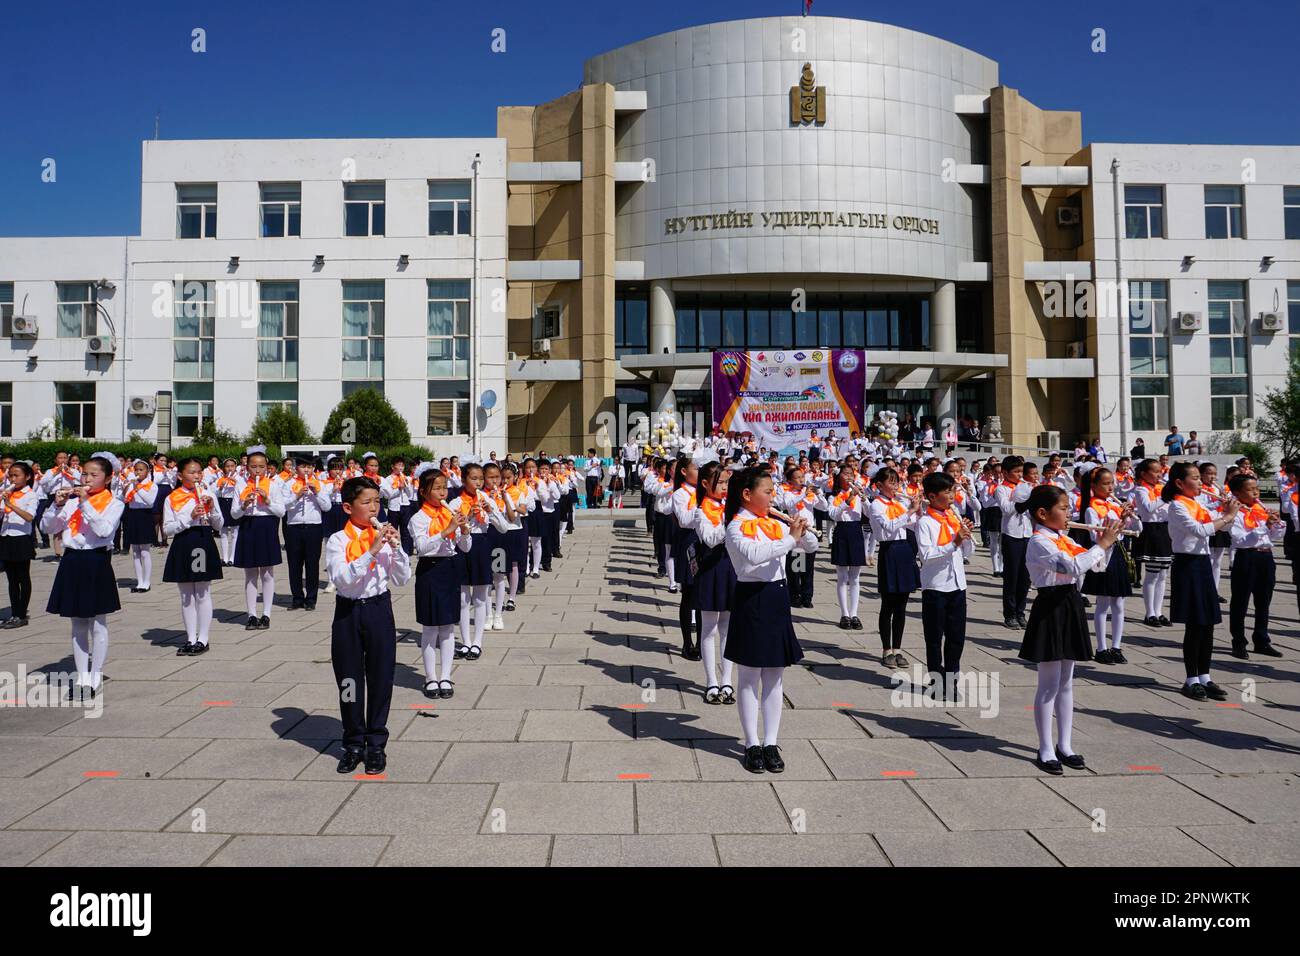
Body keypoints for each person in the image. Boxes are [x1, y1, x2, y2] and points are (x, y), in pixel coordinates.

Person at [1018, 484, 1120, 774]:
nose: (1069, 513)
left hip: (1071, 604)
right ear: (1042, 513)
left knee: (1067, 682)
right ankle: (1045, 747)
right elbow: (1073, 567)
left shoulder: (1063, 538)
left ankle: (1066, 744)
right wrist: (1100, 545)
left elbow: (1096, 567)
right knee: (1048, 684)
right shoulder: (1039, 542)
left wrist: (1104, 544)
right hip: (1051, 607)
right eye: (1063, 508)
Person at [724, 466, 818, 773]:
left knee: (775, 676)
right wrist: (791, 538)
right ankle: (752, 743)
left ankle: (771, 742)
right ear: (747, 494)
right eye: (767, 491)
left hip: (777, 597)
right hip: (751, 599)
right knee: (750, 676)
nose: (772, 496)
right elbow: (754, 555)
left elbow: (811, 547)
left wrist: (802, 530)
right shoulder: (736, 526)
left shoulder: (777, 523)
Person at [325, 476, 411, 776]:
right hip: (349, 612)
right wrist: (371, 551)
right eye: (367, 502)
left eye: (377, 501)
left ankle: (376, 743)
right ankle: (352, 743)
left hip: (378, 609)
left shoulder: (383, 535)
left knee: (380, 677)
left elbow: (402, 579)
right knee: (349, 680)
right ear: (348, 507)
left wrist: (396, 549)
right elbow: (342, 579)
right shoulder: (338, 540)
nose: (374, 507)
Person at [42, 453, 126, 698]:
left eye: (93, 474)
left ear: (108, 478)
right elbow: (48, 528)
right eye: (85, 473)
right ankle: (81, 676)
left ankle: (96, 674)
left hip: (96, 559)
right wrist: (56, 505)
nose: (87, 478)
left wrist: (85, 502)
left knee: (98, 622)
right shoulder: (70, 500)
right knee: (77, 621)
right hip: (71, 559)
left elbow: (103, 531)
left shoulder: (114, 502)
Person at [1164, 462, 1239, 701]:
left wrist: (1231, 513)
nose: (1200, 482)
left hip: (1202, 564)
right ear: (1179, 483)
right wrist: (1226, 516)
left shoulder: (1198, 503)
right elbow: (1199, 530)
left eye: (1199, 478)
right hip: (1187, 566)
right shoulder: (1176, 506)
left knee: (1208, 624)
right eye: (1195, 478)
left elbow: (1223, 526)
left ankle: (1205, 676)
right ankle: (1190, 679)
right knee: (1194, 625)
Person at [409, 467, 470, 699]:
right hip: (430, 571)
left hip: (450, 569)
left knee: (447, 627)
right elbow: (422, 548)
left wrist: (464, 531)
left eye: (444, 487)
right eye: (437, 488)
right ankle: (430, 677)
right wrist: (447, 531)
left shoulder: (450, 513)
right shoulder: (418, 518)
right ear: (424, 492)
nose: (443, 491)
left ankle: (445, 676)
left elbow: (466, 547)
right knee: (430, 628)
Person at [915, 472, 975, 697]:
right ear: (932, 495)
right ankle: (937, 682)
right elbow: (927, 555)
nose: (952, 495)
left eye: (953, 491)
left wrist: (966, 538)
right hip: (936, 587)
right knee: (934, 637)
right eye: (947, 491)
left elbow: (966, 552)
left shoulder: (953, 516)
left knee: (956, 637)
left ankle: (952, 681)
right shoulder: (925, 522)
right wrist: (954, 542)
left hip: (958, 584)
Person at [162, 457, 224, 655]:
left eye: (198, 471)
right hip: (183, 542)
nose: (196, 475)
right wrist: (189, 518)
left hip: (202, 541)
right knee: (186, 594)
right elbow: (168, 529)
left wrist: (212, 509)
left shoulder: (207, 493)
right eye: (191, 472)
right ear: (180, 476)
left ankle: (203, 639)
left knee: (202, 591)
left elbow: (219, 525)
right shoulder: (172, 498)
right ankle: (190, 638)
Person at [1080, 467, 1141, 663]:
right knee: (1103, 603)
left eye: (1112, 483)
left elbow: (1138, 527)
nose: (1110, 487)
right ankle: (1101, 648)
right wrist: (1112, 527)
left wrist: (1127, 517)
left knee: (1119, 603)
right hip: (1102, 557)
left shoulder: (1115, 506)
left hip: (1118, 555)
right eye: (1105, 484)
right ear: (1094, 486)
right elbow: (1094, 536)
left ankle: (1116, 646)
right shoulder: (1091, 508)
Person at [1226, 472, 1285, 659]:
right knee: (1240, 602)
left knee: (1263, 601)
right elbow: (1241, 540)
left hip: (1266, 558)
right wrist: (1263, 527)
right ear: (1237, 493)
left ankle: (1261, 639)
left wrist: (1275, 525)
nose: (1255, 493)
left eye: (1256, 489)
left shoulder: (1260, 509)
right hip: (1246, 557)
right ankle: (1238, 642)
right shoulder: (1233, 512)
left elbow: (1274, 538)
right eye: (1250, 490)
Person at [868, 467, 922, 667]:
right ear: (880, 485)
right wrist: (909, 511)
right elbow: (889, 526)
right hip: (889, 551)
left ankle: (898, 649)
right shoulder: (876, 505)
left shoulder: (899, 502)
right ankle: (886, 650)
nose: (895, 486)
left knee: (902, 606)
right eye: (891, 483)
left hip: (905, 549)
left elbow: (913, 523)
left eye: (897, 482)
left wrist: (918, 508)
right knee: (888, 605)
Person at [693, 461, 736, 705]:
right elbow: (709, 539)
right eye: (719, 483)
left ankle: (727, 680)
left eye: (726, 482)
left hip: (731, 569)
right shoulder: (701, 510)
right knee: (708, 628)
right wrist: (728, 522)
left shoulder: (731, 507)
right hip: (711, 570)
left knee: (728, 627)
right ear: (706, 484)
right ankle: (711, 681)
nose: (724, 487)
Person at [231, 446, 286, 630]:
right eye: (253, 466)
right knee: (250, 573)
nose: (257, 470)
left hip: (267, 526)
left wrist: (267, 500)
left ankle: (267, 614)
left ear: (267, 467)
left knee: (268, 573)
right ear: (247, 467)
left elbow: (281, 511)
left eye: (261, 467)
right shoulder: (240, 484)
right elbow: (234, 514)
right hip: (248, 526)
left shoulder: (274, 484)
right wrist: (244, 505)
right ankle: (252, 614)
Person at [278, 456, 332, 612]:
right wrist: (297, 495)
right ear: (296, 469)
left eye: (309, 467)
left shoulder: (319, 484)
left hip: (314, 527)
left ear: (314, 469)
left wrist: (316, 493)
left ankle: (311, 598)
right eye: (303, 467)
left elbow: (327, 506)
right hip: (293, 527)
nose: (306, 470)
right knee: (294, 564)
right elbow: (283, 506)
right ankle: (297, 598)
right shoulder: (288, 484)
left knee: (312, 564)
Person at [1133, 458, 1171, 627]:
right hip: (1151, 531)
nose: (1159, 474)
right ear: (1144, 474)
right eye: (1155, 472)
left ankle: (1159, 611)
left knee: (1163, 574)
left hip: (1165, 530)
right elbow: (1148, 508)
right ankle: (1149, 613)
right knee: (1152, 574)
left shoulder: (1160, 489)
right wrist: (1166, 496)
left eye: (1160, 471)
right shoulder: (1141, 490)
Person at [827, 467, 866, 630]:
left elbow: (869, 514)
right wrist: (848, 499)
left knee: (855, 577)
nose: (849, 477)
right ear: (839, 477)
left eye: (851, 474)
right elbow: (833, 515)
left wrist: (863, 498)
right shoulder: (833, 496)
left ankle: (854, 613)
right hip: (842, 531)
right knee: (842, 576)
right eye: (846, 474)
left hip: (856, 530)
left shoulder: (858, 494)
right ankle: (844, 614)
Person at [0, 461, 39, 627]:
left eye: (17, 475)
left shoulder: (30, 495)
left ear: (27, 477)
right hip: (6, 536)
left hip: (21, 538)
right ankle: (14, 612)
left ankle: (21, 614)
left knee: (23, 576)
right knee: (11, 578)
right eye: (11, 475)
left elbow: (29, 517)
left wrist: (10, 504)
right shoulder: (8, 493)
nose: (13, 479)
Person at [997, 456, 1033, 629]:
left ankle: (1021, 611)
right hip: (1012, 535)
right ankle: (1009, 614)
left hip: (1027, 534)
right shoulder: (1001, 489)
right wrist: (1022, 503)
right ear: (1005, 472)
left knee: (1025, 578)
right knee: (1012, 576)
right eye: (1016, 472)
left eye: (1021, 471)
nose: (1020, 475)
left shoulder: (1024, 486)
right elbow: (1006, 509)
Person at [120, 459, 158, 592]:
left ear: (147, 472)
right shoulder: (132, 484)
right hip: (132, 515)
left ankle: (147, 582)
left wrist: (137, 488)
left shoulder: (152, 485)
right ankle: (139, 582)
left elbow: (150, 502)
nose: (138, 472)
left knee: (145, 551)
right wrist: (125, 488)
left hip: (145, 516)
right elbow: (124, 499)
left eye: (141, 470)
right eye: (136, 470)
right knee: (135, 552)